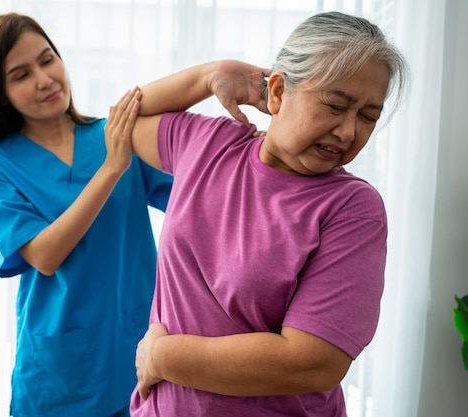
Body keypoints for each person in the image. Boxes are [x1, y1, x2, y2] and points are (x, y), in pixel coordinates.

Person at [126, 11, 409, 417]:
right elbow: (125, 121)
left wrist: (161, 357)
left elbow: (312, 362)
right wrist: (212, 74)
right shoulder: (208, 144)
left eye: (368, 117)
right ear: (277, 93)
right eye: (334, 105)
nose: (348, 132)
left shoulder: (352, 209)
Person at [0, 13, 174, 417]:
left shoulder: (112, 135)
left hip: (139, 352)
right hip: (60, 375)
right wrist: (111, 168)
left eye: (47, 60)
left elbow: (195, 198)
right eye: (21, 74)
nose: (44, 79)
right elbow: (45, 256)